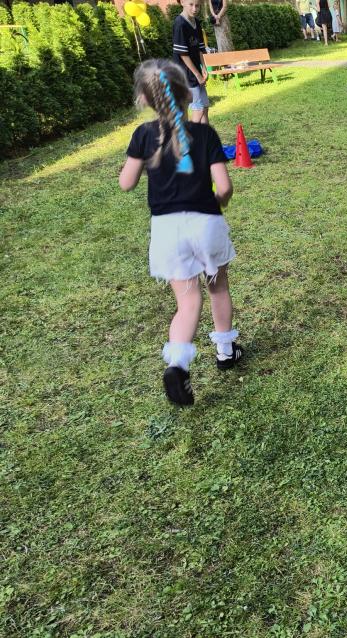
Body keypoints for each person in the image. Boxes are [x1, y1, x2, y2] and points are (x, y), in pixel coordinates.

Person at [119, 59, 243, 407]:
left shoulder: (143, 135)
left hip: (167, 230)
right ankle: (225, 351)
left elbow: (126, 183)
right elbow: (224, 187)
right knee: (218, 287)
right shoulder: (205, 134)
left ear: (144, 99)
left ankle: (177, 365)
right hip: (206, 224)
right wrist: (218, 201)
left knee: (188, 302)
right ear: (188, 94)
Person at [172, 0, 209, 124]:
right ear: (182, 2)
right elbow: (183, 54)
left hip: (196, 72)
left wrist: (203, 67)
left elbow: (200, 48)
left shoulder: (197, 22)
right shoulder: (180, 24)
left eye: (197, 5)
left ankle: (205, 136)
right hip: (185, 74)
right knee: (198, 110)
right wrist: (197, 75)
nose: (194, 9)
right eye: (191, 5)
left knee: (204, 107)